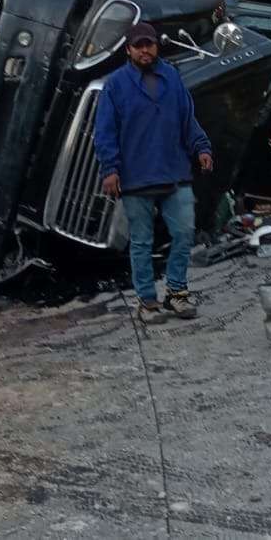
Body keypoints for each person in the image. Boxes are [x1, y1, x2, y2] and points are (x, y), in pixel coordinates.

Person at [93, 22, 212, 324]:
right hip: (135, 177)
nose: (145, 50)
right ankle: (147, 301)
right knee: (142, 242)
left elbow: (188, 119)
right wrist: (110, 170)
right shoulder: (115, 85)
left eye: (149, 44)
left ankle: (176, 294)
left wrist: (202, 147)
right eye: (138, 46)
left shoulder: (171, 77)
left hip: (174, 172)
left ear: (157, 46)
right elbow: (105, 131)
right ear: (128, 49)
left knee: (184, 232)